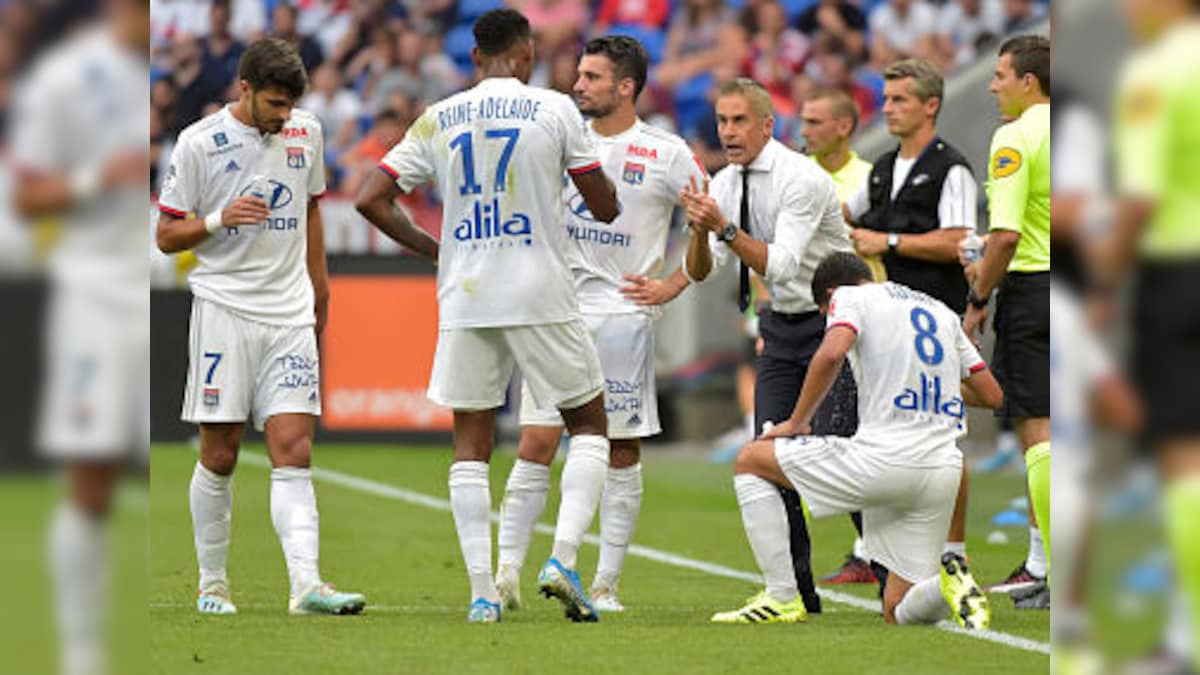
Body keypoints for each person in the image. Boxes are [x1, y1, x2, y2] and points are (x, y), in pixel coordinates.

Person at [353, 8, 620, 624]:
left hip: (467, 293)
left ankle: (481, 594)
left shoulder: (439, 116)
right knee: (589, 424)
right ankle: (562, 560)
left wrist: (435, 248)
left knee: (470, 445)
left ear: (475, 58)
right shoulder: (556, 110)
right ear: (527, 54)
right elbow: (603, 207)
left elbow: (370, 197)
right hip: (539, 291)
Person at [492, 35, 707, 615]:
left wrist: (672, 283)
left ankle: (606, 583)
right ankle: (506, 572)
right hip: (555, 311)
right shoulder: (558, 136)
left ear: (625, 87)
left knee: (619, 449)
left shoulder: (666, 152)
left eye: (590, 77)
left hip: (621, 318)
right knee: (536, 440)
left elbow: (709, 230)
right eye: (578, 75)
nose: (577, 85)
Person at [156, 37, 365, 618]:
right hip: (225, 309)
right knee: (220, 454)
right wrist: (220, 218)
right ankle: (212, 584)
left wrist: (319, 284)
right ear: (243, 88)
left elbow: (314, 206)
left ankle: (307, 587)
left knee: (294, 450)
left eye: (290, 105)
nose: (284, 116)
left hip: (290, 312)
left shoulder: (307, 130)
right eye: (274, 103)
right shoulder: (199, 143)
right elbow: (166, 235)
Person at [710, 252, 1002, 628]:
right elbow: (991, 395)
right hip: (940, 472)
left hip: (883, 459)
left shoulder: (849, 297)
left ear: (830, 295)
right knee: (897, 609)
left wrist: (798, 421)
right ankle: (948, 579)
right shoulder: (940, 311)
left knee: (751, 459)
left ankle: (781, 596)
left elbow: (831, 352)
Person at [10, 1, 150, 671]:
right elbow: (27, 197)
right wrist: (98, 177)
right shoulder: (66, 77)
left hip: (164, 289)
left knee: (198, 462)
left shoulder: (173, 76)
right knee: (91, 477)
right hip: (94, 298)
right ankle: (83, 652)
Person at [682, 77, 851, 614]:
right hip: (781, 327)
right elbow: (706, 274)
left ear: (765, 125)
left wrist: (724, 228)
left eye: (738, 121)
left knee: (848, 460)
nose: (727, 131)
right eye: (722, 121)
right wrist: (696, 229)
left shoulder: (801, 178)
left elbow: (781, 263)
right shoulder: (725, 182)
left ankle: (902, 573)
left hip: (838, 327)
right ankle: (793, 594)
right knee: (766, 460)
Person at [1100, 2, 1200, 668]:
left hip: (1180, 274)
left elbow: (1138, 197)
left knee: (1183, 456)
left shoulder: (1155, 73)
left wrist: (1101, 287)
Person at [961, 34, 1050, 595]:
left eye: (1000, 75)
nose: (993, 86)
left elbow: (1007, 236)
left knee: (1039, 432)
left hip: (1033, 291)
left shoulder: (1015, 137)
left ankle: (1044, 567)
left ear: (1028, 82)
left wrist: (977, 299)